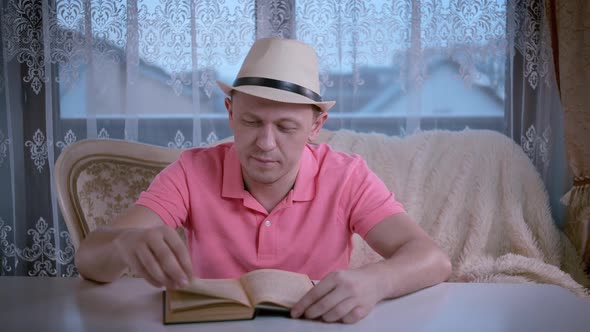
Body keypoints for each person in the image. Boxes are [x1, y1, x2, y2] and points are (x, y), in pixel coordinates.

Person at [75, 38, 451, 324]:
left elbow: (432, 259)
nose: (265, 144)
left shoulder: (347, 175)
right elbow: (89, 260)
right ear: (230, 111)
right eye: (251, 122)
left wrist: (377, 281)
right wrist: (127, 243)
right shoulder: (190, 171)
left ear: (316, 126)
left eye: (286, 127)